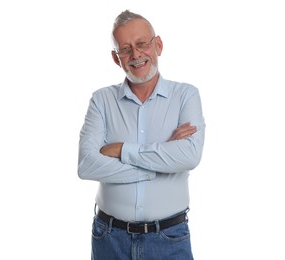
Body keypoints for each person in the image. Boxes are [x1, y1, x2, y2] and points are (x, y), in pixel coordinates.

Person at [78, 9, 205, 260]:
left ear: (157, 45)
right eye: (125, 49)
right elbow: (87, 166)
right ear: (117, 58)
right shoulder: (101, 100)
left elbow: (189, 156)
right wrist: (163, 163)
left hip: (169, 238)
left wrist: (121, 150)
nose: (135, 54)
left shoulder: (185, 96)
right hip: (109, 239)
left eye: (142, 44)